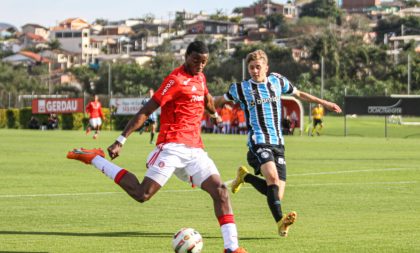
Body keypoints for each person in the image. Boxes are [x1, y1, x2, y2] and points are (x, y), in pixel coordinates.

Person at [67, 41, 247, 253]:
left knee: (221, 192)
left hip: (195, 150)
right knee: (142, 194)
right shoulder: (175, 80)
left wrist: (215, 115)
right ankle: (95, 158)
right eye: (196, 60)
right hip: (171, 146)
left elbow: (206, 98)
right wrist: (121, 139)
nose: (199, 65)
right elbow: (147, 109)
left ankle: (232, 248)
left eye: (204, 62)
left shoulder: (200, 77)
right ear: (186, 57)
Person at [214, 49, 342, 237]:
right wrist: (208, 105)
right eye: (251, 68)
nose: (255, 71)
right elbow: (217, 100)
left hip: (278, 143)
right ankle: (281, 222)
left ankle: (245, 177)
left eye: (258, 67)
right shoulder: (241, 88)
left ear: (266, 67)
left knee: (276, 194)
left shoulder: (277, 81)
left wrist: (325, 103)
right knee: (272, 179)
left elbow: (300, 94)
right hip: (258, 142)